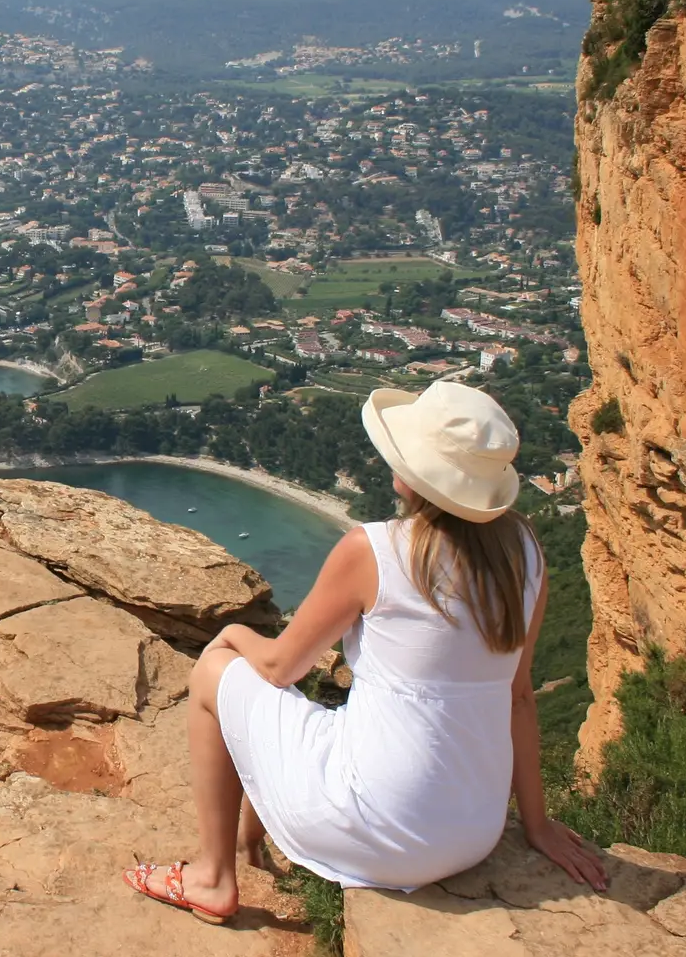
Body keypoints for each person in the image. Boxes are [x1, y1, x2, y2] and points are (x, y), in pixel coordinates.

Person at [123, 381, 608, 922]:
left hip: (375, 829)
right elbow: (518, 697)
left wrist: (233, 636)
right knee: (335, 720)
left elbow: (282, 669)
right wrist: (536, 825)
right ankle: (248, 838)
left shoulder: (373, 550)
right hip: (475, 834)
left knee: (218, 670)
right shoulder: (525, 553)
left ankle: (213, 878)